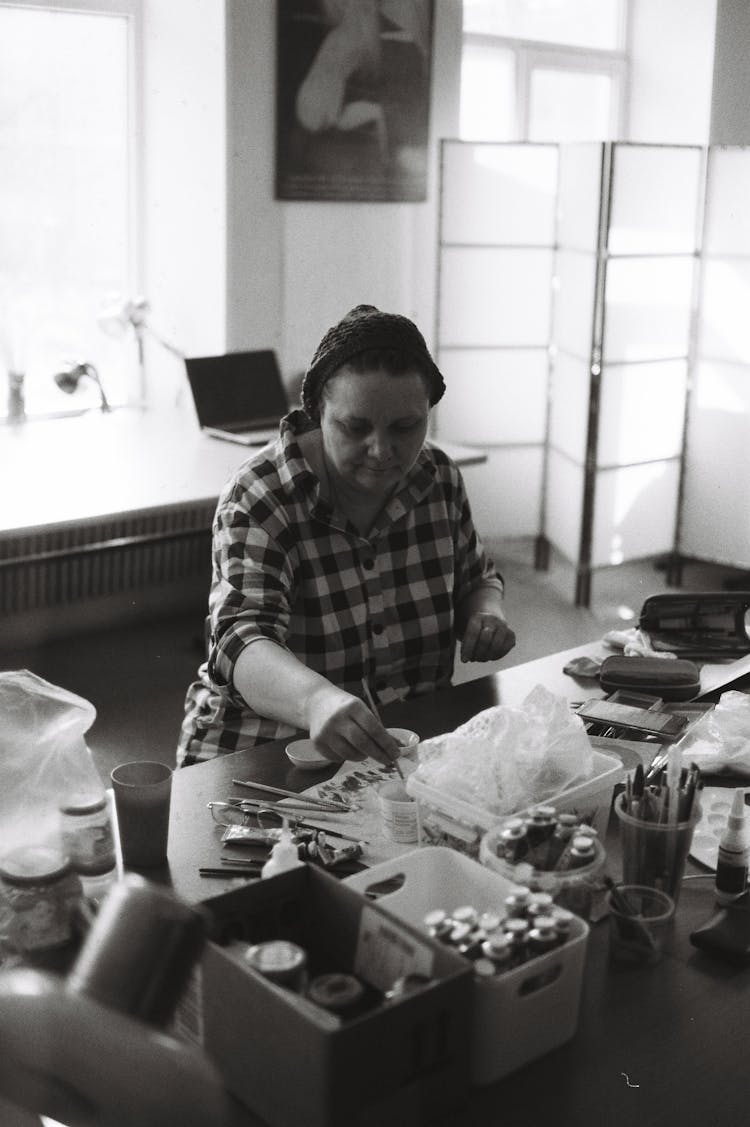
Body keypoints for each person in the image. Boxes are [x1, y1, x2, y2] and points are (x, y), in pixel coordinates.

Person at [178, 305, 516, 767]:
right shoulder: (261, 495)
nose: (381, 450)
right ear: (317, 413)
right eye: (355, 428)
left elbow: (477, 578)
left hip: (398, 742)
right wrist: (315, 700)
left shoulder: (437, 478)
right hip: (264, 749)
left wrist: (485, 613)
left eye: (405, 427)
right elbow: (240, 638)